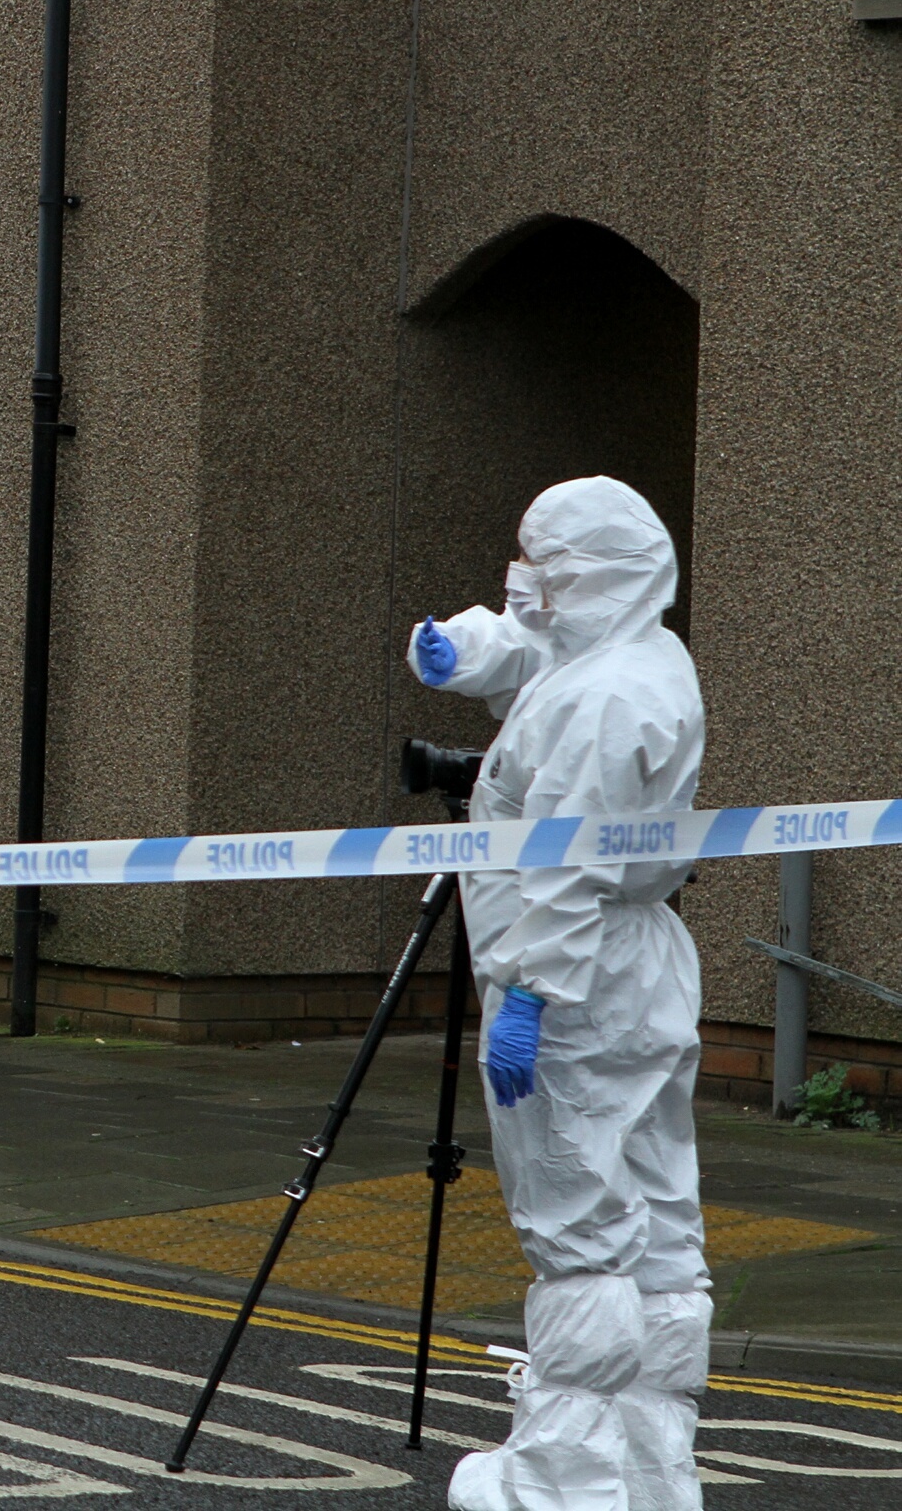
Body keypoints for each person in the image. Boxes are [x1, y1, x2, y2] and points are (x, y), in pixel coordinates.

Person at [406, 476, 708, 1511]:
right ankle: (651, 1466)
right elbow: (531, 657)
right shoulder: (642, 658)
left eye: (543, 562)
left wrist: (531, 995)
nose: (526, 580)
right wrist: (460, 649)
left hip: (571, 977)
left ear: (587, 572)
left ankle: (559, 1479)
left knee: (578, 1231)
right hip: (643, 971)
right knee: (659, 1226)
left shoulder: (603, 697)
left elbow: (568, 863)